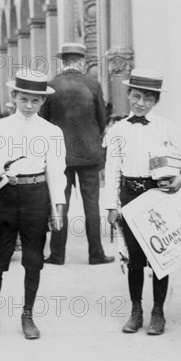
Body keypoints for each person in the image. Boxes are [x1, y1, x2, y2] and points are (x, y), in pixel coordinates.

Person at [0, 69, 66, 340]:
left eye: (36, 100)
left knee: (33, 259)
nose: (30, 105)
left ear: (43, 101)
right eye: (24, 99)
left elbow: (57, 172)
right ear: (14, 96)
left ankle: (28, 316)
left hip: (36, 196)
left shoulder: (51, 131)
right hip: (6, 196)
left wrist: (58, 208)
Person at [104, 69, 181, 335]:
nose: (141, 103)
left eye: (148, 99)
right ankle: (136, 310)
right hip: (130, 195)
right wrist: (111, 205)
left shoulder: (167, 127)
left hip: (157, 196)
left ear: (156, 101)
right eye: (137, 96)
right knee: (134, 259)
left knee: (159, 257)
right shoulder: (118, 129)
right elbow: (112, 169)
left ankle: (158, 312)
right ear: (129, 94)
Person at [40, 43, 114, 265]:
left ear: (63, 62)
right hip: (89, 154)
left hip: (59, 157)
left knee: (60, 203)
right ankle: (96, 254)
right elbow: (102, 119)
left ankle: (57, 254)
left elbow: (44, 122)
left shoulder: (51, 86)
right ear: (81, 62)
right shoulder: (93, 84)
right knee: (92, 205)